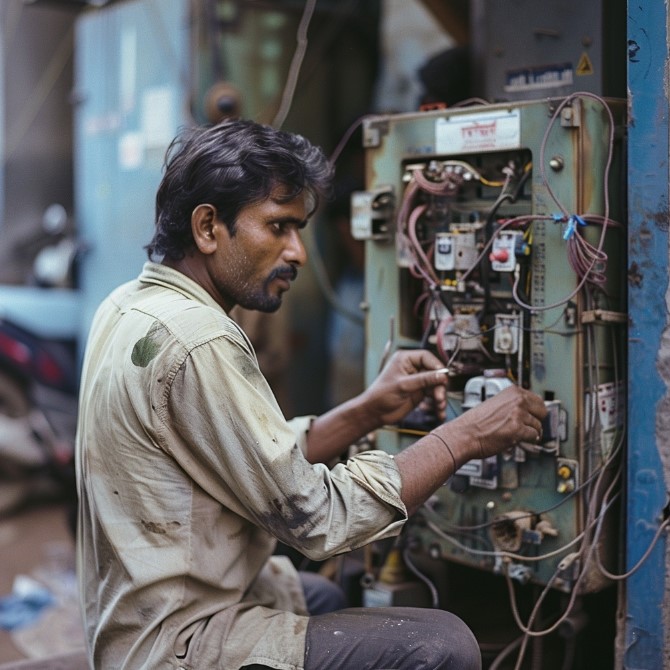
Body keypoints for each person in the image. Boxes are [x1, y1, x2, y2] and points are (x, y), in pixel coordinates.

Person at [75, 119, 547, 670]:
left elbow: (245, 454)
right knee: (442, 645)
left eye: (299, 229)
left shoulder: (129, 305)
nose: (297, 251)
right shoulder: (200, 339)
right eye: (278, 226)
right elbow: (319, 519)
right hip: (176, 645)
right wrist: (465, 436)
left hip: (137, 623)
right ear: (208, 227)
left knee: (317, 595)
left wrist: (366, 409)